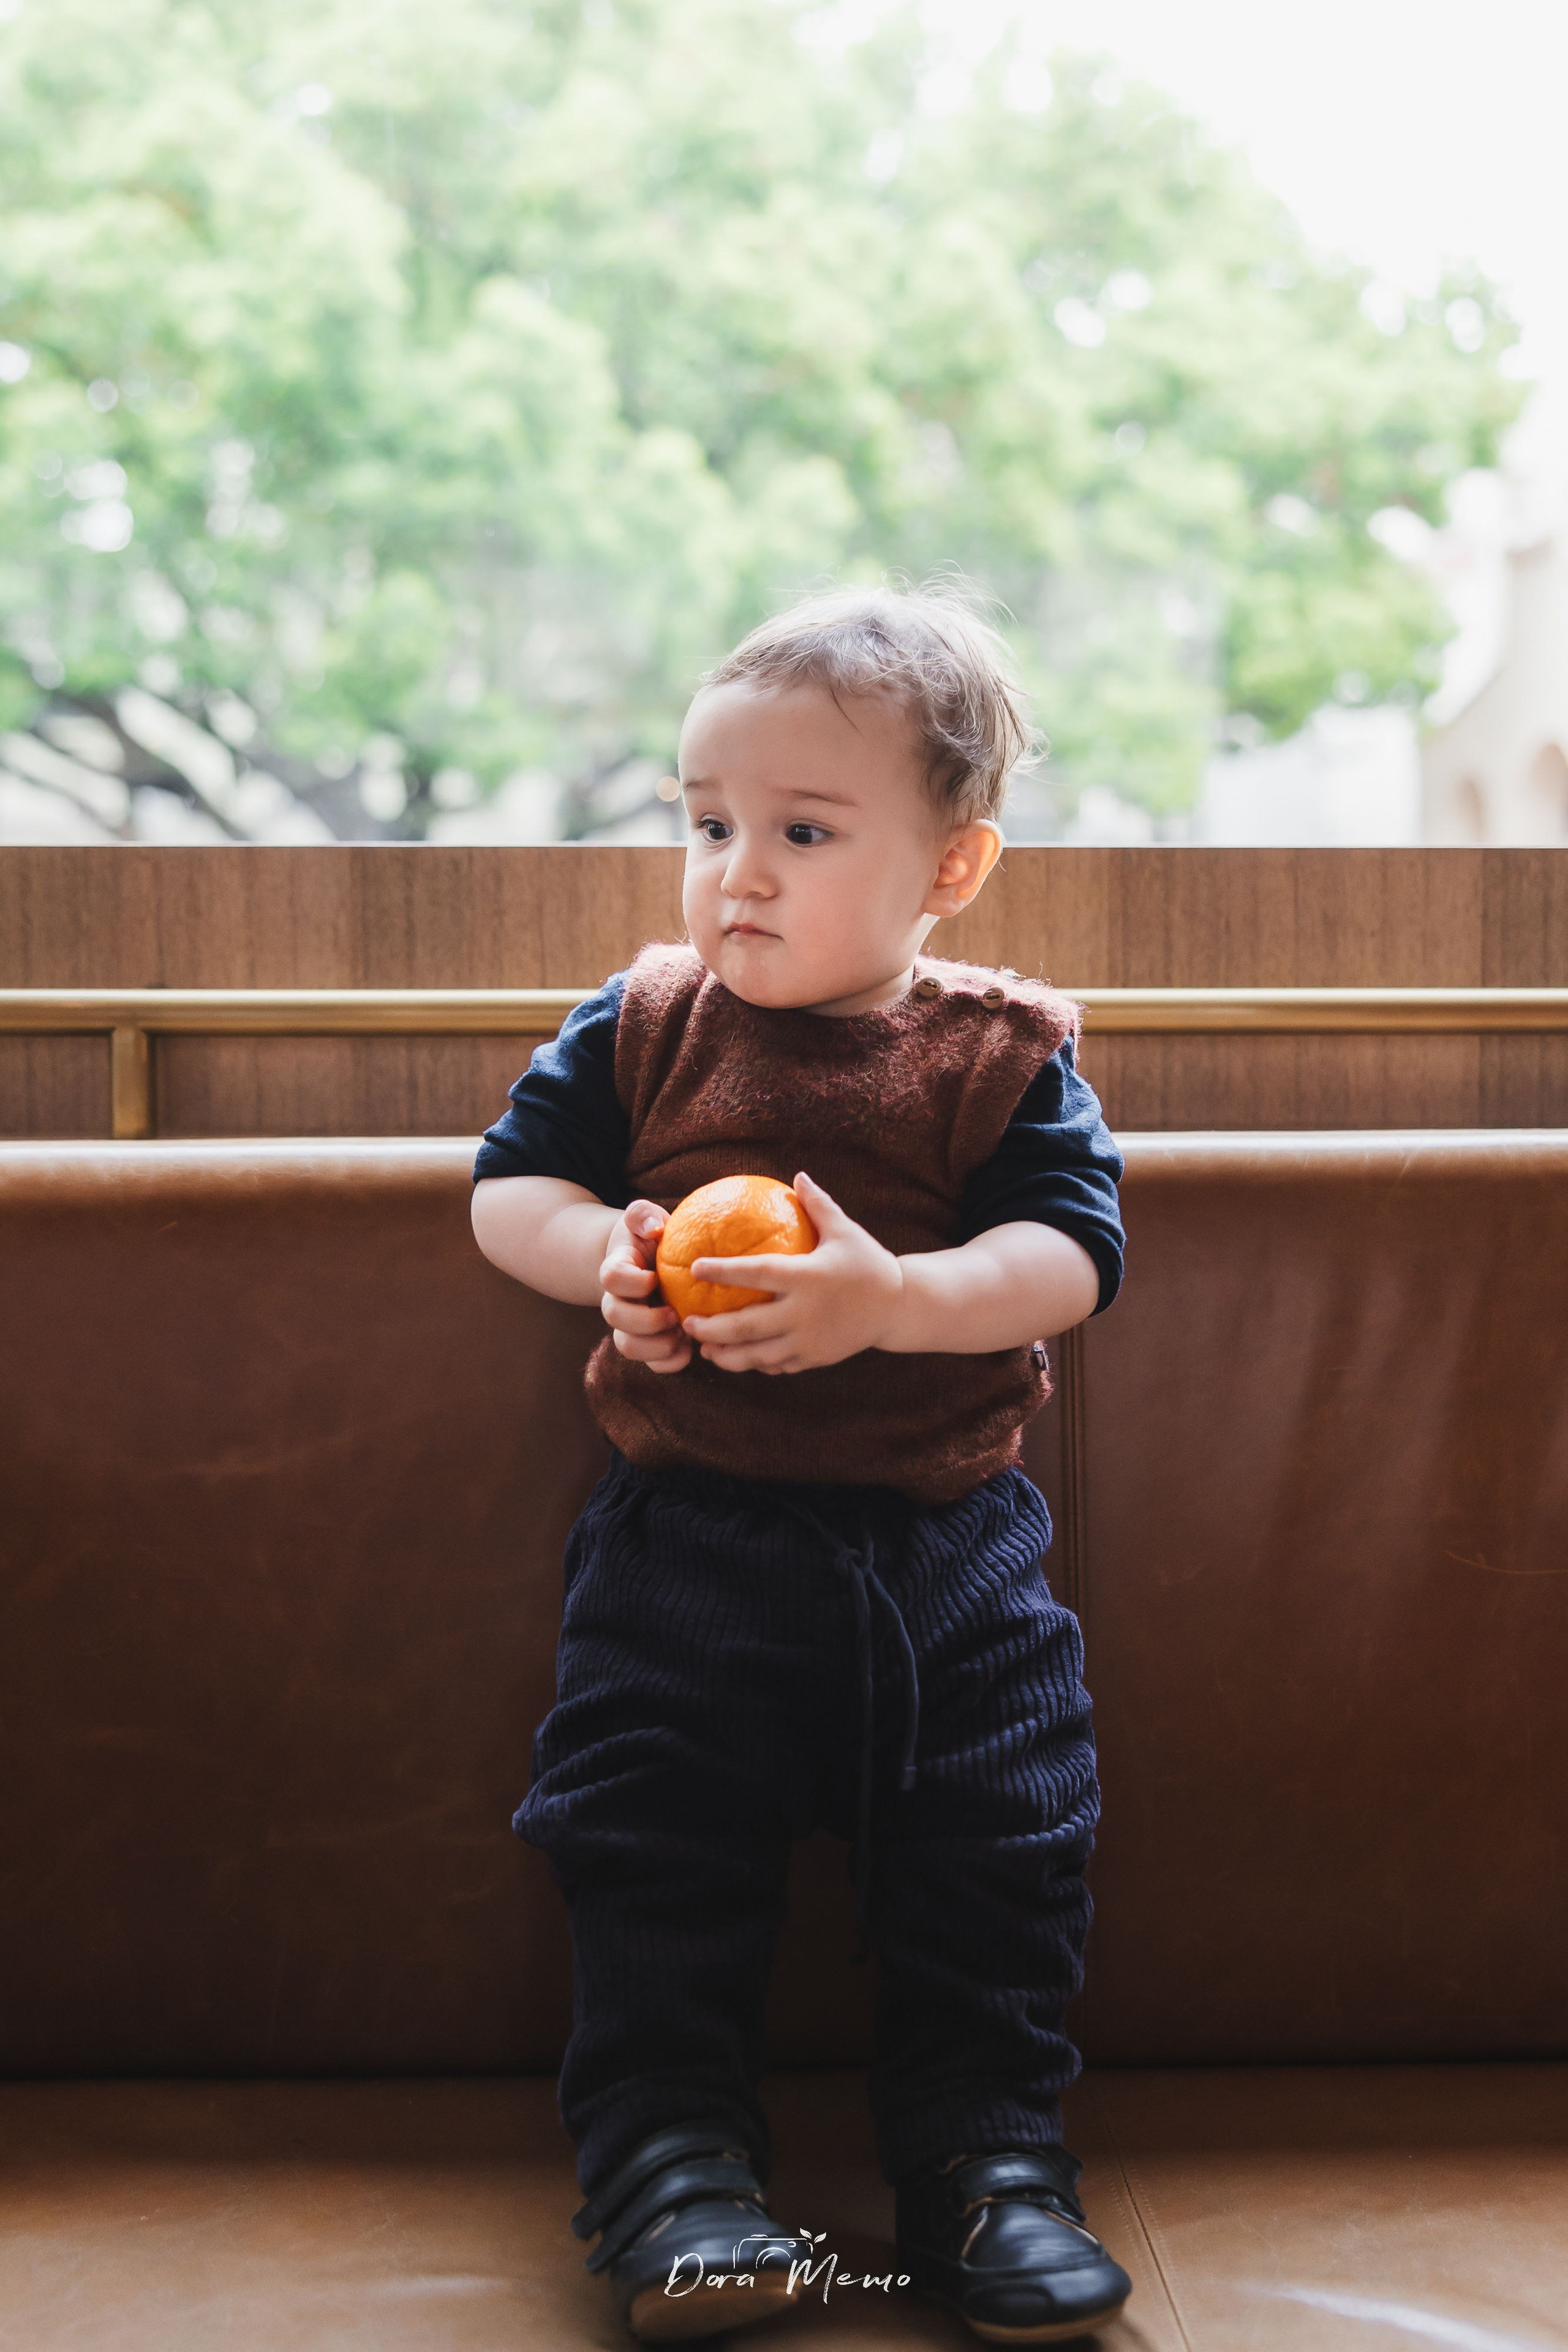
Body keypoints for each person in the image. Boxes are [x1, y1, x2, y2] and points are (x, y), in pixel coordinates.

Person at [470, 582, 1131, 2345]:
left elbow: (1074, 1259)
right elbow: (504, 1189)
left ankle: (987, 2167)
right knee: (645, 1834)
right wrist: (602, 1248)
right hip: (689, 1536)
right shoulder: (649, 1020)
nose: (733, 872)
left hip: (948, 1547)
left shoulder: (1000, 1054)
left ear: (951, 868)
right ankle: (673, 2171)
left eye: (802, 831)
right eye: (706, 823)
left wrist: (894, 1300)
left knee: (1006, 1839)